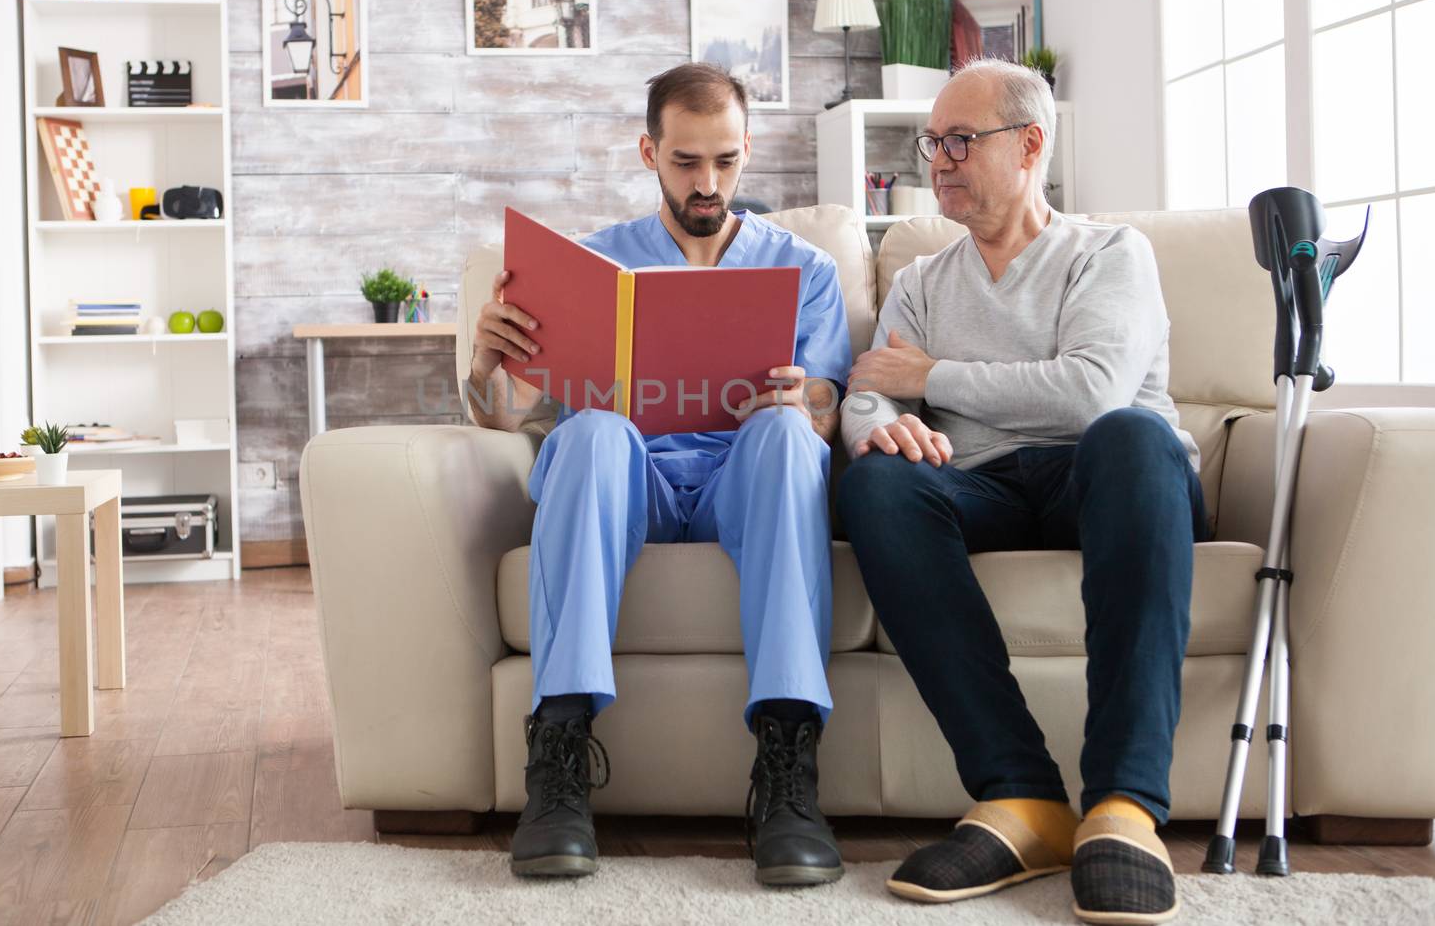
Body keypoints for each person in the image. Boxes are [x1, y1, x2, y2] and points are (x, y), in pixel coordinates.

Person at [466, 63, 854, 886]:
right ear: (649, 151)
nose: (708, 183)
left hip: (739, 480)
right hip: (626, 481)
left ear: (746, 151)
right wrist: (485, 358)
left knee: (787, 436)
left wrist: (809, 398)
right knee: (596, 430)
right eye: (686, 161)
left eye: (725, 160)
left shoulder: (807, 272)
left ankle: (789, 768)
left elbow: (829, 417)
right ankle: (560, 751)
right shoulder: (587, 265)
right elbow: (502, 413)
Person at [837, 58, 1202, 925]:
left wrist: (933, 374)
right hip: (985, 487)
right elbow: (868, 388)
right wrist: (876, 426)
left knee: (1131, 433)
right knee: (878, 486)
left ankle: (1124, 805)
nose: (940, 159)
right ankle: (1021, 795)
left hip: (1112, 478)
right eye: (934, 143)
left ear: (1031, 143)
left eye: (961, 140)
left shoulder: (1110, 253)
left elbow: (1091, 394)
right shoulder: (924, 281)